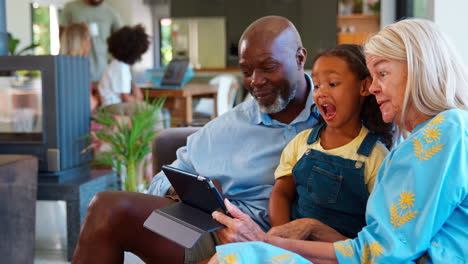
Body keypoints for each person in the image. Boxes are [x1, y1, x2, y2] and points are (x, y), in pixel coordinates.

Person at [210, 18, 468, 264]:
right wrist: (309, 228)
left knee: (235, 256)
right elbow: (375, 247)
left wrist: (265, 242)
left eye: (383, 73)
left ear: (418, 71)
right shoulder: (431, 137)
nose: (374, 87)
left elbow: (380, 254)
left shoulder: (447, 130)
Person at [72, 16, 318, 264]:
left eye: (268, 67)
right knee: (107, 207)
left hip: (271, 241)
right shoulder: (227, 127)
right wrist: (185, 190)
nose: (255, 80)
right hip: (211, 232)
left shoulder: (334, 113)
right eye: (246, 71)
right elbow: (160, 181)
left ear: (299, 58)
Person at [269, 44, 392, 240]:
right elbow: (282, 193)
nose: (321, 92)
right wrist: (282, 237)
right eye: (317, 85)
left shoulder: (378, 158)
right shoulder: (302, 143)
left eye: (333, 84)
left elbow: (378, 234)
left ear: (364, 86)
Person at [60, 0, 121, 86]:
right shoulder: (70, 8)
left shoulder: (111, 13)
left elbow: (121, 43)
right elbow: (62, 38)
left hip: (102, 74)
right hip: (75, 73)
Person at [98, 24, 148, 106]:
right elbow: (125, 98)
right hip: (113, 106)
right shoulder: (120, 68)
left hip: (114, 104)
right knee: (152, 111)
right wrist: (141, 103)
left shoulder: (117, 65)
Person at [59, 22, 99, 111]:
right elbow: (90, 105)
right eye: (88, 40)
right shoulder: (79, 68)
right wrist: (98, 97)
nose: (90, 45)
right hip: (80, 120)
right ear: (83, 43)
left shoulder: (60, 67)